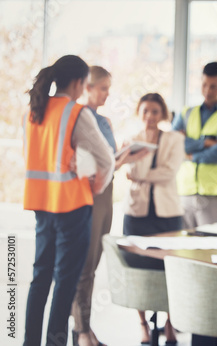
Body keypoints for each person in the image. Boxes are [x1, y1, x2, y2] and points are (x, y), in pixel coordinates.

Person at [23, 55, 115, 346]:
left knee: (40, 280)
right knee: (65, 284)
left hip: (41, 205)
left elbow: (38, 156)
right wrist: (95, 185)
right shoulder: (75, 112)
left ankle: (30, 343)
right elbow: (107, 161)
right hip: (72, 208)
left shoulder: (34, 109)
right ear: (78, 83)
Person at [71, 66, 146, 346]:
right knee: (84, 265)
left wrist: (125, 157)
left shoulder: (104, 121)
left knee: (93, 263)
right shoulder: (76, 117)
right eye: (102, 88)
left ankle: (85, 327)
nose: (107, 94)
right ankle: (81, 330)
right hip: (86, 194)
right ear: (87, 87)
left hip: (106, 193)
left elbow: (108, 161)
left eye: (108, 88)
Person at [122, 93, 184, 345]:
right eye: (145, 111)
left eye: (155, 111)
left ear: (163, 114)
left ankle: (170, 323)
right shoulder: (131, 140)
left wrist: (141, 172)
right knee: (139, 269)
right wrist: (143, 167)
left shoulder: (175, 139)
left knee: (170, 269)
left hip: (167, 215)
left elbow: (169, 173)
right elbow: (129, 171)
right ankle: (142, 324)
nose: (149, 116)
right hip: (137, 214)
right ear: (140, 112)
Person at [172, 61, 217, 229]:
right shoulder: (186, 113)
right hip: (185, 194)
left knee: (212, 250)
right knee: (182, 250)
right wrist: (205, 143)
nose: (207, 91)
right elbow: (173, 142)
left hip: (215, 196)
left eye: (213, 87)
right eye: (204, 85)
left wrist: (191, 154)